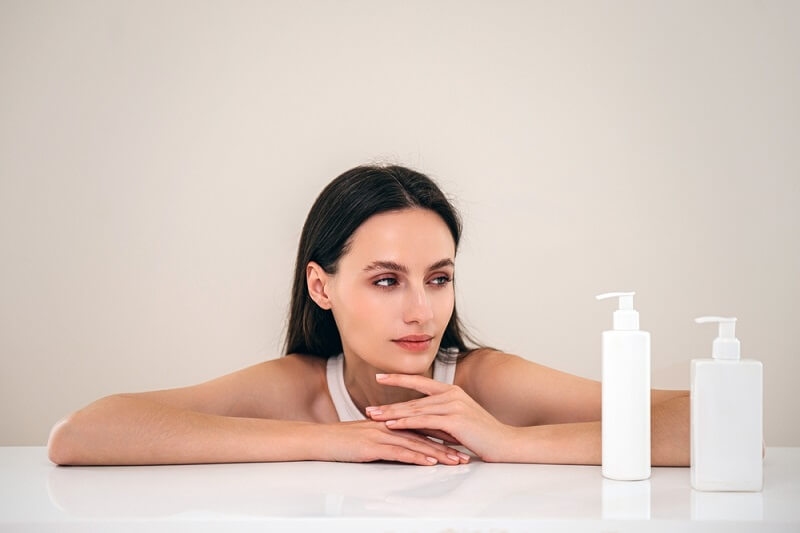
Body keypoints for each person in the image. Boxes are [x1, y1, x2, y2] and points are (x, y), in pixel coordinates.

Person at [47, 164, 689, 467]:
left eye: (439, 279)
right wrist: (332, 441)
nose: (421, 310)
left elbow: (703, 421)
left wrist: (510, 441)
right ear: (321, 287)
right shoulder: (297, 389)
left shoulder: (480, 383)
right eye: (386, 280)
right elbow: (80, 435)